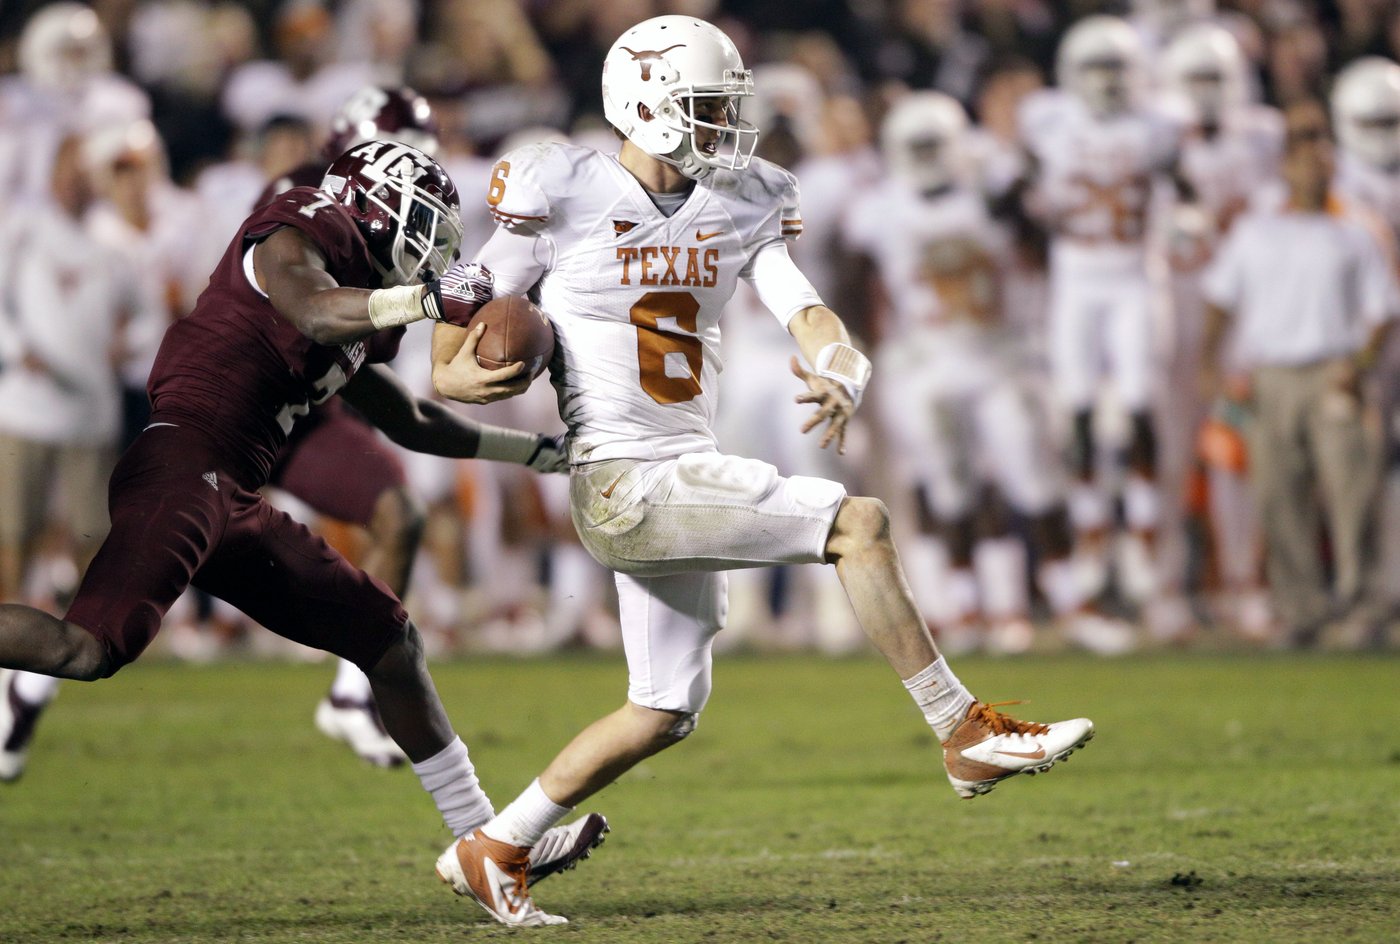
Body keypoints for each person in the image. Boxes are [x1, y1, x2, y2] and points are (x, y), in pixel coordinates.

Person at [429, 16, 1096, 927]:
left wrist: (843, 368)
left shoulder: (742, 196)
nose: (723, 130)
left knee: (664, 708)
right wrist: (472, 372)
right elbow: (457, 325)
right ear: (647, 103)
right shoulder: (563, 185)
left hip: (678, 472)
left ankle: (495, 846)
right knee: (857, 523)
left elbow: (805, 307)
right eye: (706, 110)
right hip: (625, 478)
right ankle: (964, 733)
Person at [0, 139, 607, 887]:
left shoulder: (366, 298)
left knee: (390, 643)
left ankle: (484, 848)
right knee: (85, 650)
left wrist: (543, 453)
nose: (428, 251)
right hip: (184, 465)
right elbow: (316, 313)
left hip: (237, 492)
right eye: (421, 225)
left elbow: (412, 421)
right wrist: (422, 300)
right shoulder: (299, 228)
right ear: (376, 205)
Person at [1199, 99, 1399, 647]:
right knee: (1279, 497)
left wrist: (1358, 367)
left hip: (1333, 371)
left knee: (1352, 495)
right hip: (1270, 376)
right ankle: (1301, 610)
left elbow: (1384, 311)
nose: (1314, 166)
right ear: (1285, 167)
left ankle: (1363, 608)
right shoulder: (1256, 231)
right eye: (1303, 157)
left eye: (1322, 156)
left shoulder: (1355, 232)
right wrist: (1208, 362)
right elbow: (1219, 298)